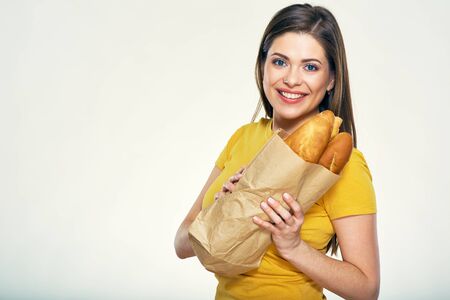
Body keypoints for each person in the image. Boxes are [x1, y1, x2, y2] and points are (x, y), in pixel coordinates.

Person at [174, 3, 380, 299]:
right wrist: (220, 212)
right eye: (280, 62)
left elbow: (367, 289)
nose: (292, 79)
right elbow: (181, 245)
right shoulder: (243, 138)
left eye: (310, 66)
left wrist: (294, 247)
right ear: (263, 66)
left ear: (331, 79)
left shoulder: (341, 163)